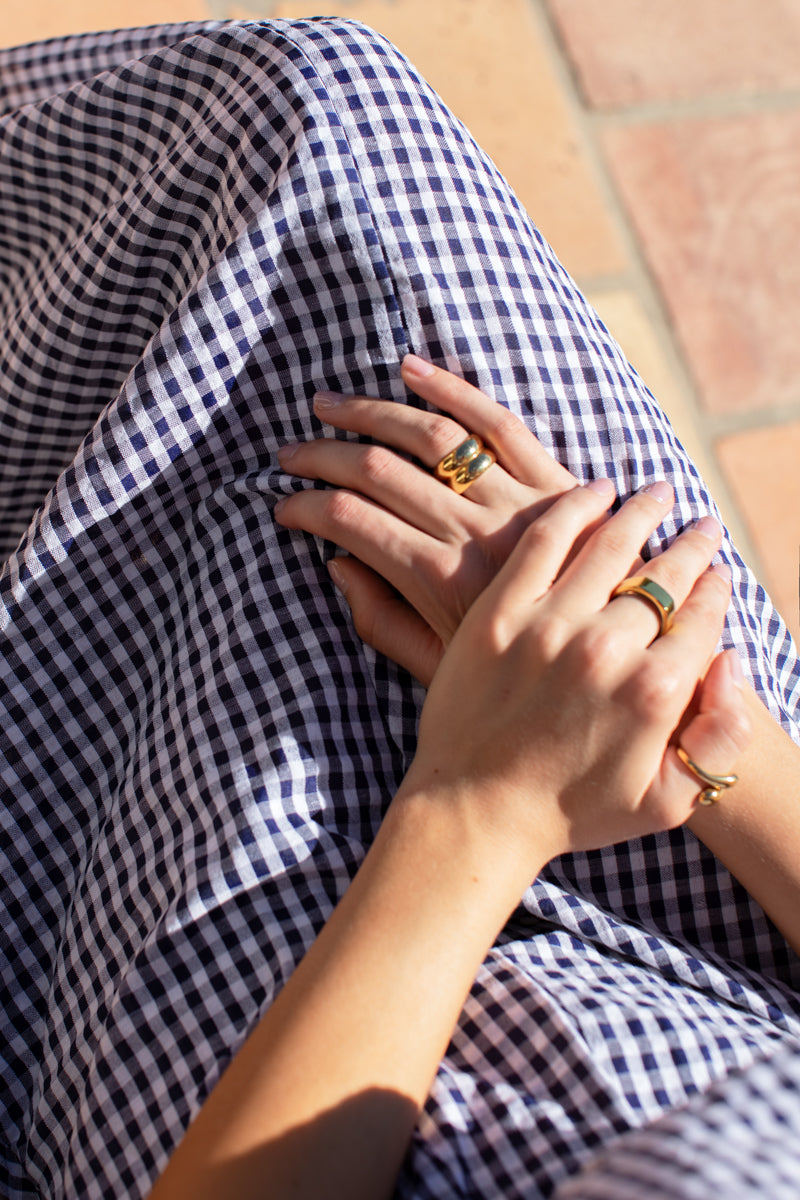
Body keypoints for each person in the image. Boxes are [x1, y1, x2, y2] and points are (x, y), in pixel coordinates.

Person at [0, 16, 798, 1200]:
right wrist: (695, 723)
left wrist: (482, 802)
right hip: (718, 897)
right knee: (312, 119)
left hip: (276, 1088)